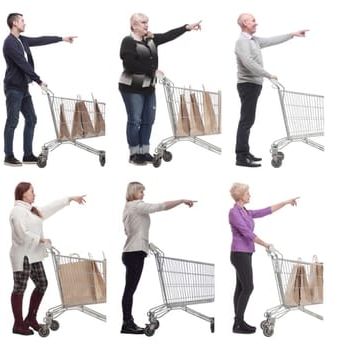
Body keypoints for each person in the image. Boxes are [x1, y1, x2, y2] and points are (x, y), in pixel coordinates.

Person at [119, 14, 201, 165]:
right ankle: (134, 154)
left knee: (148, 120)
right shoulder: (128, 42)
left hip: (148, 87)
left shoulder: (150, 40)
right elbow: (130, 64)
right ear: (134, 25)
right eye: (143, 23)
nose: (146, 25)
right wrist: (153, 72)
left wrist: (186, 28)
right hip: (132, 87)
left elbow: (168, 36)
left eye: (147, 23)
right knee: (135, 120)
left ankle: (144, 152)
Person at [8, 182, 85, 335]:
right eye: (32, 192)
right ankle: (18, 324)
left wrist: (69, 199)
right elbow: (20, 232)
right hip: (22, 254)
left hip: (34, 254)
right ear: (24, 194)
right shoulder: (17, 211)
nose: (34, 194)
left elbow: (49, 208)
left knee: (42, 284)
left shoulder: (31, 210)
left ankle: (30, 318)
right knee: (19, 288)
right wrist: (40, 240)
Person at [233, 14, 308, 167]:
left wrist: (291, 35)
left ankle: (245, 152)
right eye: (253, 20)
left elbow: (271, 40)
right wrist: (268, 75)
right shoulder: (242, 42)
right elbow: (249, 63)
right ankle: (241, 157)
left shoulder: (253, 40)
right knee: (246, 121)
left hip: (254, 84)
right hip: (247, 85)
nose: (256, 23)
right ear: (244, 23)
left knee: (248, 120)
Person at [119, 182, 194, 334]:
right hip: (135, 253)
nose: (143, 194)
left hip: (131, 252)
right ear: (133, 192)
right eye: (141, 191)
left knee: (129, 290)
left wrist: (147, 244)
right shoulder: (136, 205)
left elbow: (129, 232)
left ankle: (128, 322)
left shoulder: (128, 208)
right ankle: (127, 323)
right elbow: (160, 207)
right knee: (129, 291)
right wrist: (181, 201)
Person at [1, 13, 74, 167]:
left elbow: (40, 40)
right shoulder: (9, 43)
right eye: (22, 21)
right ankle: (8, 156)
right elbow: (22, 64)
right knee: (12, 121)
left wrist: (61, 38)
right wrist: (38, 80)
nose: (24, 23)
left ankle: (27, 155)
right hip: (13, 88)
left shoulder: (22, 40)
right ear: (14, 23)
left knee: (32, 119)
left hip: (23, 88)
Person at [227, 183, 297, 334]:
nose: (249, 195)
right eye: (247, 193)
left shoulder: (244, 211)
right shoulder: (234, 212)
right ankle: (238, 323)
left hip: (245, 253)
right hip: (239, 253)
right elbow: (247, 233)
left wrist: (285, 203)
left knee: (241, 288)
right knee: (248, 287)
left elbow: (266, 211)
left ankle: (238, 322)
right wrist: (266, 244)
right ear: (240, 195)